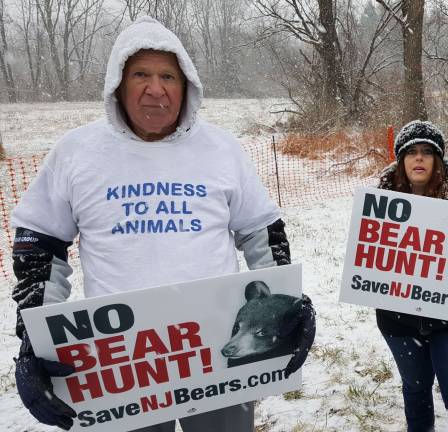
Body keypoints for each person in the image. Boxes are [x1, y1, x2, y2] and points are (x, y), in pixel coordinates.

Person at [10, 17, 315, 432]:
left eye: (167, 75)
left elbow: (261, 232)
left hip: (216, 354)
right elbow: (40, 246)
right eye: (141, 74)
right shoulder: (77, 153)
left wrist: (286, 306)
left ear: (186, 85)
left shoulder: (221, 149)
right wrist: (34, 340)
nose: (156, 89)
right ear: (117, 83)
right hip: (123, 363)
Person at [376, 120, 448, 431]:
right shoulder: (378, 203)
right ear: (401, 160)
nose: (419, 158)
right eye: (411, 152)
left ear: (437, 159)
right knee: (415, 393)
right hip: (398, 319)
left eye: (427, 152)